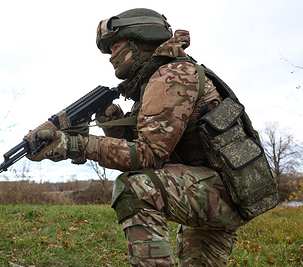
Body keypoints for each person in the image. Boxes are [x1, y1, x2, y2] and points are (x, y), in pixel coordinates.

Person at [24, 8, 249, 266]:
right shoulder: (159, 78)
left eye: (114, 47)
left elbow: (148, 155)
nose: (111, 56)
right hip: (218, 189)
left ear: (139, 39)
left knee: (137, 188)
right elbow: (150, 146)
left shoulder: (172, 76)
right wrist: (113, 126)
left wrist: (75, 145)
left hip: (216, 190)